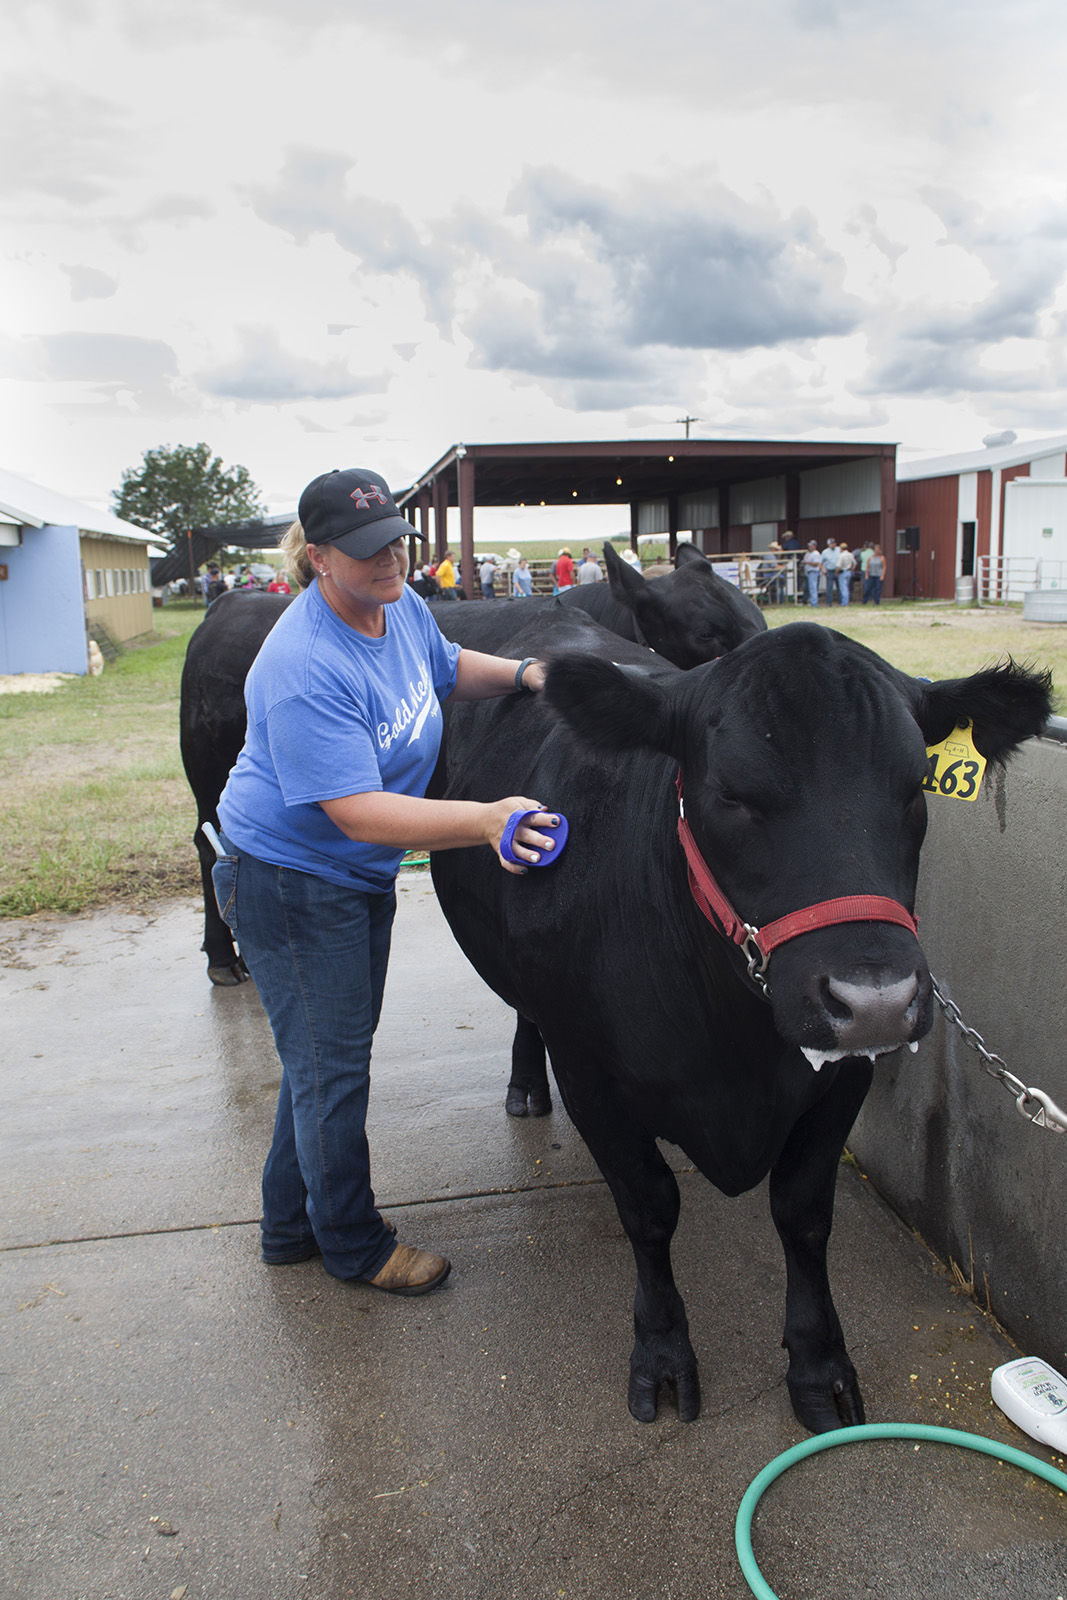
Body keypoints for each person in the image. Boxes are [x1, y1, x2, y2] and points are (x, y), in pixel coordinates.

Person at [213, 467, 561, 1297]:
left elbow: (442, 663)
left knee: (319, 1065)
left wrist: (520, 675)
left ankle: (289, 1229)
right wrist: (483, 819)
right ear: (318, 558)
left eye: (396, 540)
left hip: (342, 879)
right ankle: (355, 1246)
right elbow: (358, 812)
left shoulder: (395, 605)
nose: (390, 559)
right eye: (367, 551)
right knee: (332, 1072)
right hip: (291, 883)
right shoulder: (301, 664)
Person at [802, 540, 822, 607]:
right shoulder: (807, 553)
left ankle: (814, 603)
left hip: (813, 572)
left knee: (813, 588)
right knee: (807, 588)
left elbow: (816, 564)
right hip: (808, 572)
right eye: (809, 546)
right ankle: (806, 601)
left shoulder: (816, 553)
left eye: (811, 546)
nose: (810, 547)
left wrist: (807, 562)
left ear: (815, 546)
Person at [820, 538, 839, 605]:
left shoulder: (839, 550)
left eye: (834, 543)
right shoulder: (825, 552)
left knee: (839, 587)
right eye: (831, 543)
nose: (833, 545)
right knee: (829, 587)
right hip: (829, 571)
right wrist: (823, 570)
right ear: (828, 544)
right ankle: (829, 602)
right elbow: (821, 563)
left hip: (838, 570)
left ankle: (840, 601)